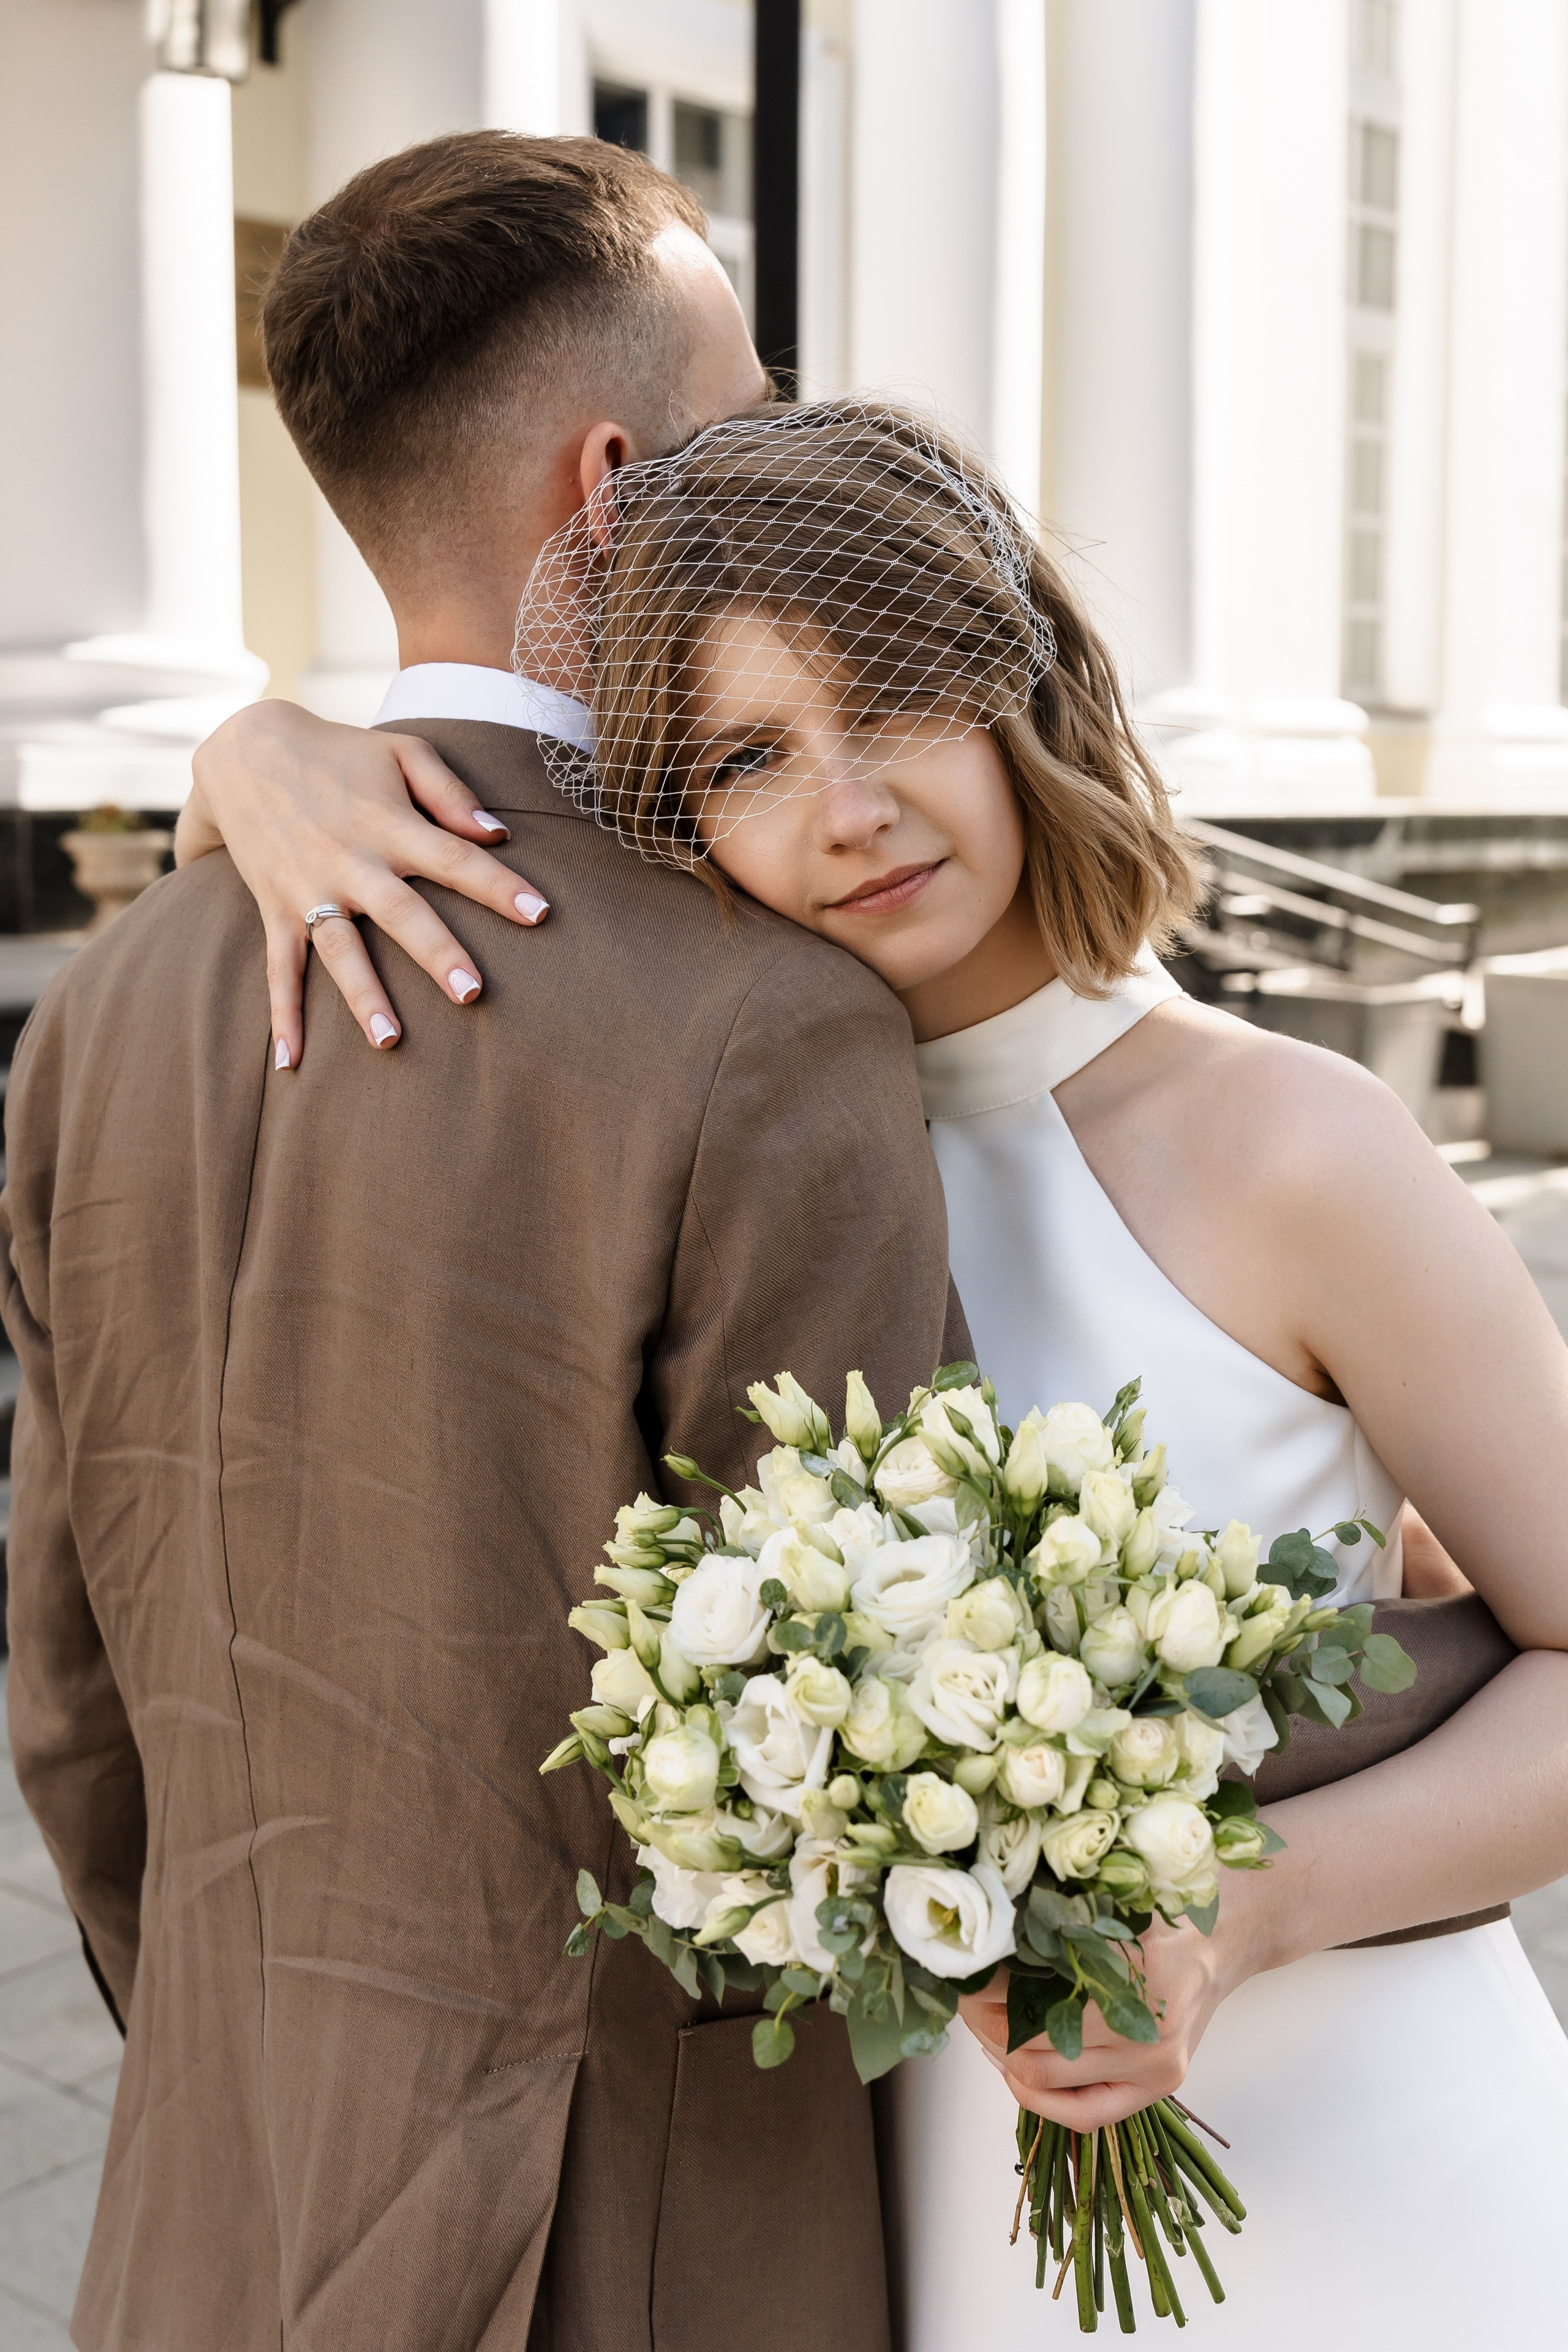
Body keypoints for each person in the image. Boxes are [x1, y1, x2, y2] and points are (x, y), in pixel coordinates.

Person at [186, 395, 1568, 2349]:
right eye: (750, 754)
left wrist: (1245, 1908)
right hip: (947, 2216)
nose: (850, 809)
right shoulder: (710, 1171)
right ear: (674, 811)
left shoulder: (1295, 1146)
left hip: (1371, 2177)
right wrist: (243, 754)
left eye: (898, 701)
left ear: (1027, 692)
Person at [1, 140, 969, 2352]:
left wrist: (263, 2052)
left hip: (206, 2210)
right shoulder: (768, 1018)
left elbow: (70, 1708)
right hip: (628, 2234)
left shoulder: (100, 1014)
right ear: (624, 488)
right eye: (756, 421)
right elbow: (890, 1710)